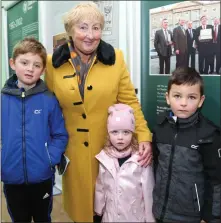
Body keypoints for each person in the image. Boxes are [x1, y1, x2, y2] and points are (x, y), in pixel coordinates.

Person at [45, 2, 153, 222]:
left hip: (110, 152)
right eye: (83, 27)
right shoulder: (51, 64)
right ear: (70, 31)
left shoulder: (116, 59)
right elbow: (47, 107)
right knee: (81, 211)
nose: (90, 35)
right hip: (72, 152)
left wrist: (143, 135)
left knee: (111, 209)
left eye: (96, 28)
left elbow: (130, 101)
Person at [1, 37, 68, 222]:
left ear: (43, 70)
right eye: (24, 62)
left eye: (37, 65)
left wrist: (49, 158)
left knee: (42, 217)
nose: (30, 69)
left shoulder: (48, 99)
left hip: (42, 177)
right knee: (19, 218)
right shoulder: (2, 100)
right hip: (11, 177)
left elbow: (60, 134)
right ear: (13, 64)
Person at [152, 67, 221, 223]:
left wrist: (209, 217)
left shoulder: (209, 134)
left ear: (200, 101)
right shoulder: (159, 128)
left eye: (191, 97)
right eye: (177, 96)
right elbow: (156, 167)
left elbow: (216, 181)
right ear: (168, 98)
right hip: (160, 212)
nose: (183, 103)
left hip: (192, 217)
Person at [94, 103, 155, 222]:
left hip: (134, 217)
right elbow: (100, 186)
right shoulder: (104, 158)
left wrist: (150, 218)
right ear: (108, 133)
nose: (120, 137)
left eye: (126, 132)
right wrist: (98, 209)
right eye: (115, 132)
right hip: (110, 217)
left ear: (132, 134)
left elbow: (148, 190)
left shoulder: (141, 158)